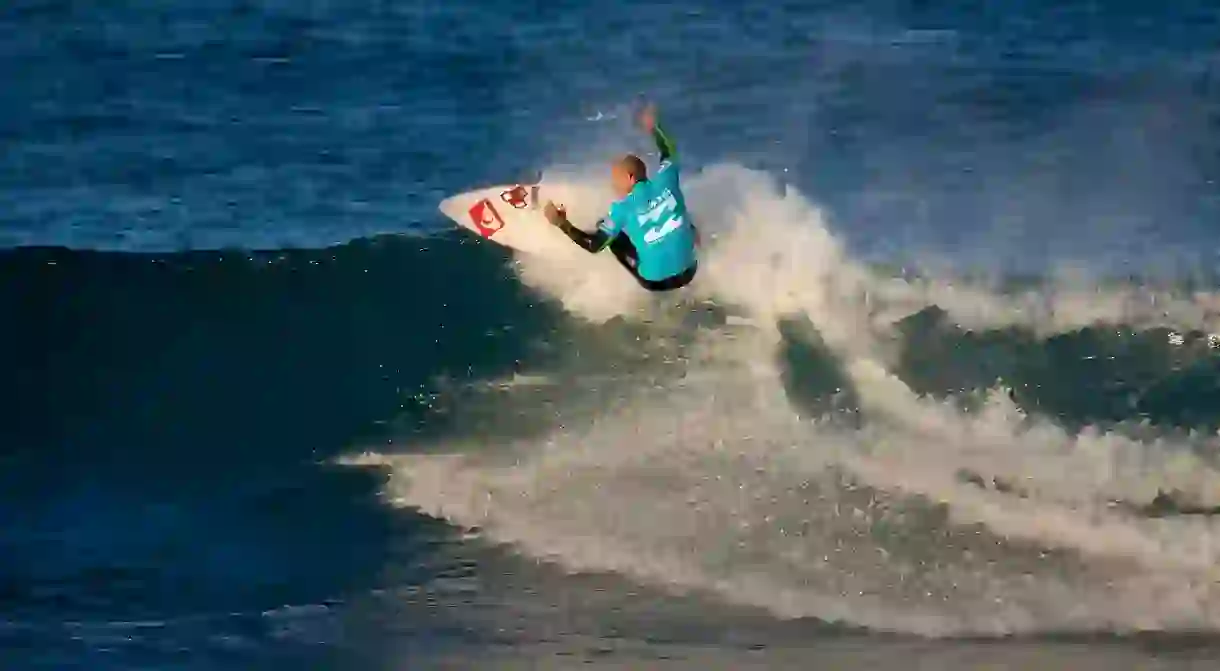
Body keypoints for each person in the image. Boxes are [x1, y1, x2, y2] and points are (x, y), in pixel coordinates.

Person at [543, 103, 699, 292]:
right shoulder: (667, 179)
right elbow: (669, 150)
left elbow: (594, 245)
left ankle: (648, 264)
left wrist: (562, 223)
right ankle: (689, 242)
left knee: (610, 234)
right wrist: (654, 127)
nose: (613, 185)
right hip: (690, 271)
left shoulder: (621, 209)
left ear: (630, 178)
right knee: (681, 217)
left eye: (615, 179)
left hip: (656, 283)